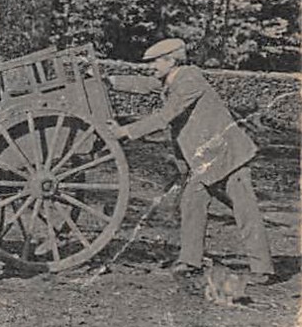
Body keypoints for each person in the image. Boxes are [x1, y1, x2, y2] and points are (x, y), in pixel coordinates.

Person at [112, 38, 274, 282]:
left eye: (156, 61)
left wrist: (125, 131)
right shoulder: (173, 80)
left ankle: (263, 270)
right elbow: (146, 84)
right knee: (192, 204)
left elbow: (165, 116)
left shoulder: (189, 80)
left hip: (228, 158)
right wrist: (110, 81)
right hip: (205, 162)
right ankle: (190, 261)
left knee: (245, 210)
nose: (151, 66)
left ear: (171, 60)